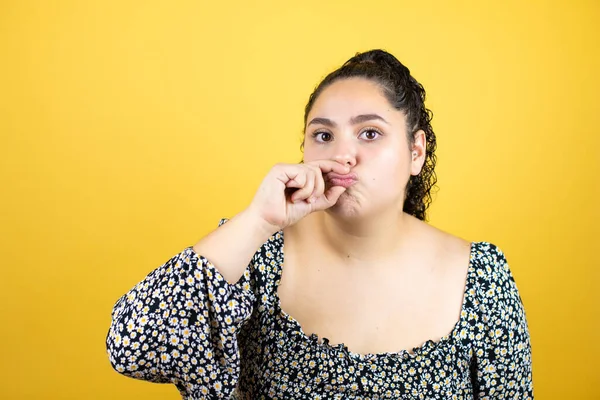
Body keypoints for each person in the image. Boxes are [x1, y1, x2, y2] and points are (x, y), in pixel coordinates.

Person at [106, 49, 533, 399]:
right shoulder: (259, 250)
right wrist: (258, 220)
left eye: (369, 133)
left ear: (416, 152)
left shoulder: (481, 277)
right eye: (323, 136)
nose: (342, 155)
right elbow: (132, 347)